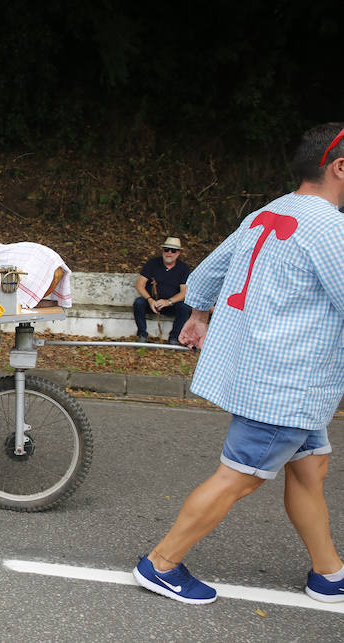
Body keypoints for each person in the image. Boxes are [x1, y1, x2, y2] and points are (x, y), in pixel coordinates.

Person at [132, 122, 344, 605]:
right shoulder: (331, 228)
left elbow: (207, 273)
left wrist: (200, 313)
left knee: (311, 469)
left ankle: (329, 573)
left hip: (273, 371)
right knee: (240, 474)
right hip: (288, 379)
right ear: (339, 167)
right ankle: (161, 564)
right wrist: (201, 316)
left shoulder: (268, 212)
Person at [132, 237, 191, 344]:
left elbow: (184, 293)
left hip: (171, 304)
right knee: (138, 303)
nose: (169, 253)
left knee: (185, 307)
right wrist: (150, 300)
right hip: (152, 303)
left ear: (178, 253)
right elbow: (140, 284)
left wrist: (168, 302)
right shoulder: (152, 263)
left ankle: (174, 337)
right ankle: (142, 335)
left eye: (173, 251)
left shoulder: (184, 268)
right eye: (166, 249)